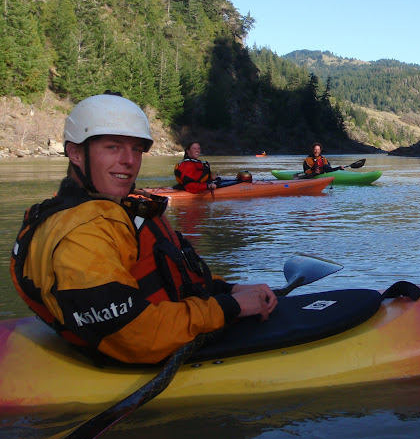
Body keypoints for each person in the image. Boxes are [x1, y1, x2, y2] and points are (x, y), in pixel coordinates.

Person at [9, 93, 277, 365]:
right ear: (75, 153)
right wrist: (230, 308)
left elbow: (168, 273)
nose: (129, 160)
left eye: (136, 149)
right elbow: (138, 335)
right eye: (113, 147)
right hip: (137, 352)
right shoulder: (81, 238)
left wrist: (227, 289)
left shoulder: (110, 208)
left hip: (169, 320)